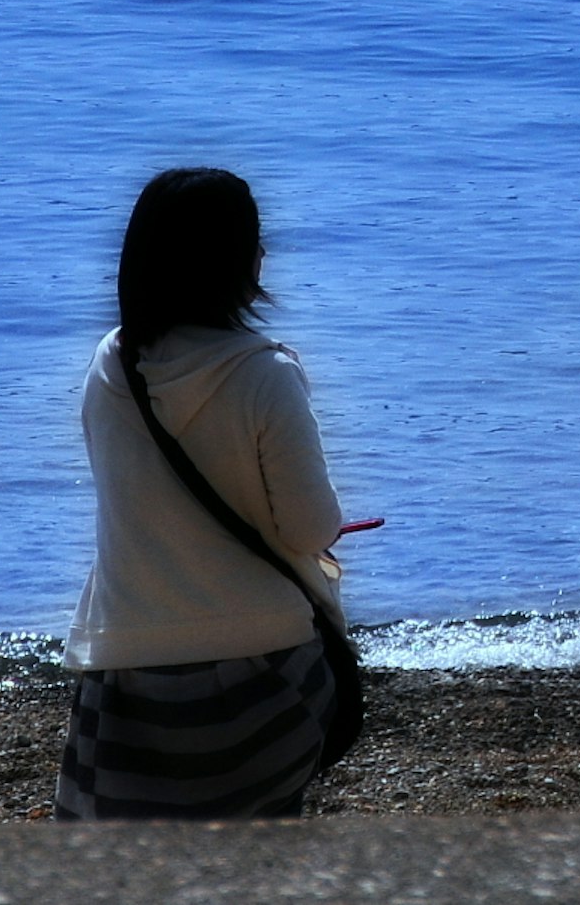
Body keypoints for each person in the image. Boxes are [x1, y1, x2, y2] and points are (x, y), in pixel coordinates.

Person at [56, 167, 358, 819]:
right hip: (263, 679)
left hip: (124, 684)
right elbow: (309, 529)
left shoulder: (111, 366)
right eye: (256, 240)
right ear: (235, 261)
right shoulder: (265, 373)